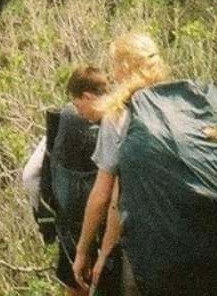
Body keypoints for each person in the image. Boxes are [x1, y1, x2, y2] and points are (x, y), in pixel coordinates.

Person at [72, 33, 170, 295]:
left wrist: (86, 251)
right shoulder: (176, 105)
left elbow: (106, 196)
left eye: (115, 65)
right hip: (197, 245)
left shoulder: (118, 113)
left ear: (126, 67)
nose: (112, 74)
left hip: (144, 252)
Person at [21, 66, 110, 295]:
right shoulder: (125, 115)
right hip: (115, 227)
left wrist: (45, 217)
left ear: (87, 96)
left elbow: (30, 176)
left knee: (75, 283)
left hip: (74, 227)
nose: (80, 111)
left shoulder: (67, 117)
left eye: (80, 104)